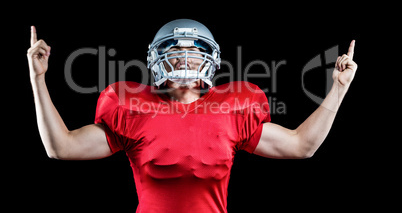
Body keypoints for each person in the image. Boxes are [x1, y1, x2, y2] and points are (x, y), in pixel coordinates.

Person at [27, 19, 358, 212]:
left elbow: (302, 145)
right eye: (176, 52)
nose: (185, 59)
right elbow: (62, 148)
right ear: (157, 60)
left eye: (194, 53)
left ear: (209, 61)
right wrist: (38, 79)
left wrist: (339, 89)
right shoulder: (131, 107)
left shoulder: (233, 108)